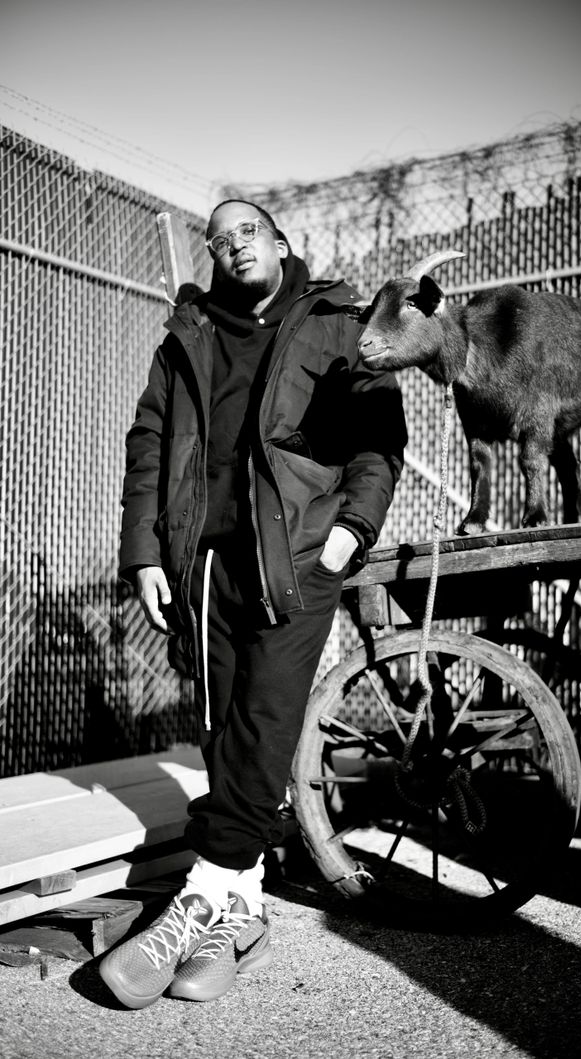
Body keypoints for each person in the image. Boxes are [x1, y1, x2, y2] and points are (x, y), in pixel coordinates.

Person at [99, 199, 407, 1008]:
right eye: (219, 239)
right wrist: (144, 554)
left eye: (247, 231)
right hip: (203, 560)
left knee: (267, 717)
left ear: (279, 241)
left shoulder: (337, 322)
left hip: (296, 556)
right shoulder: (188, 336)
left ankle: (199, 894)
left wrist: (351, 531)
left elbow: (379, 436)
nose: (234, 246)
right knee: (223, 724)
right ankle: (245, 911)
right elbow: (149, 444)